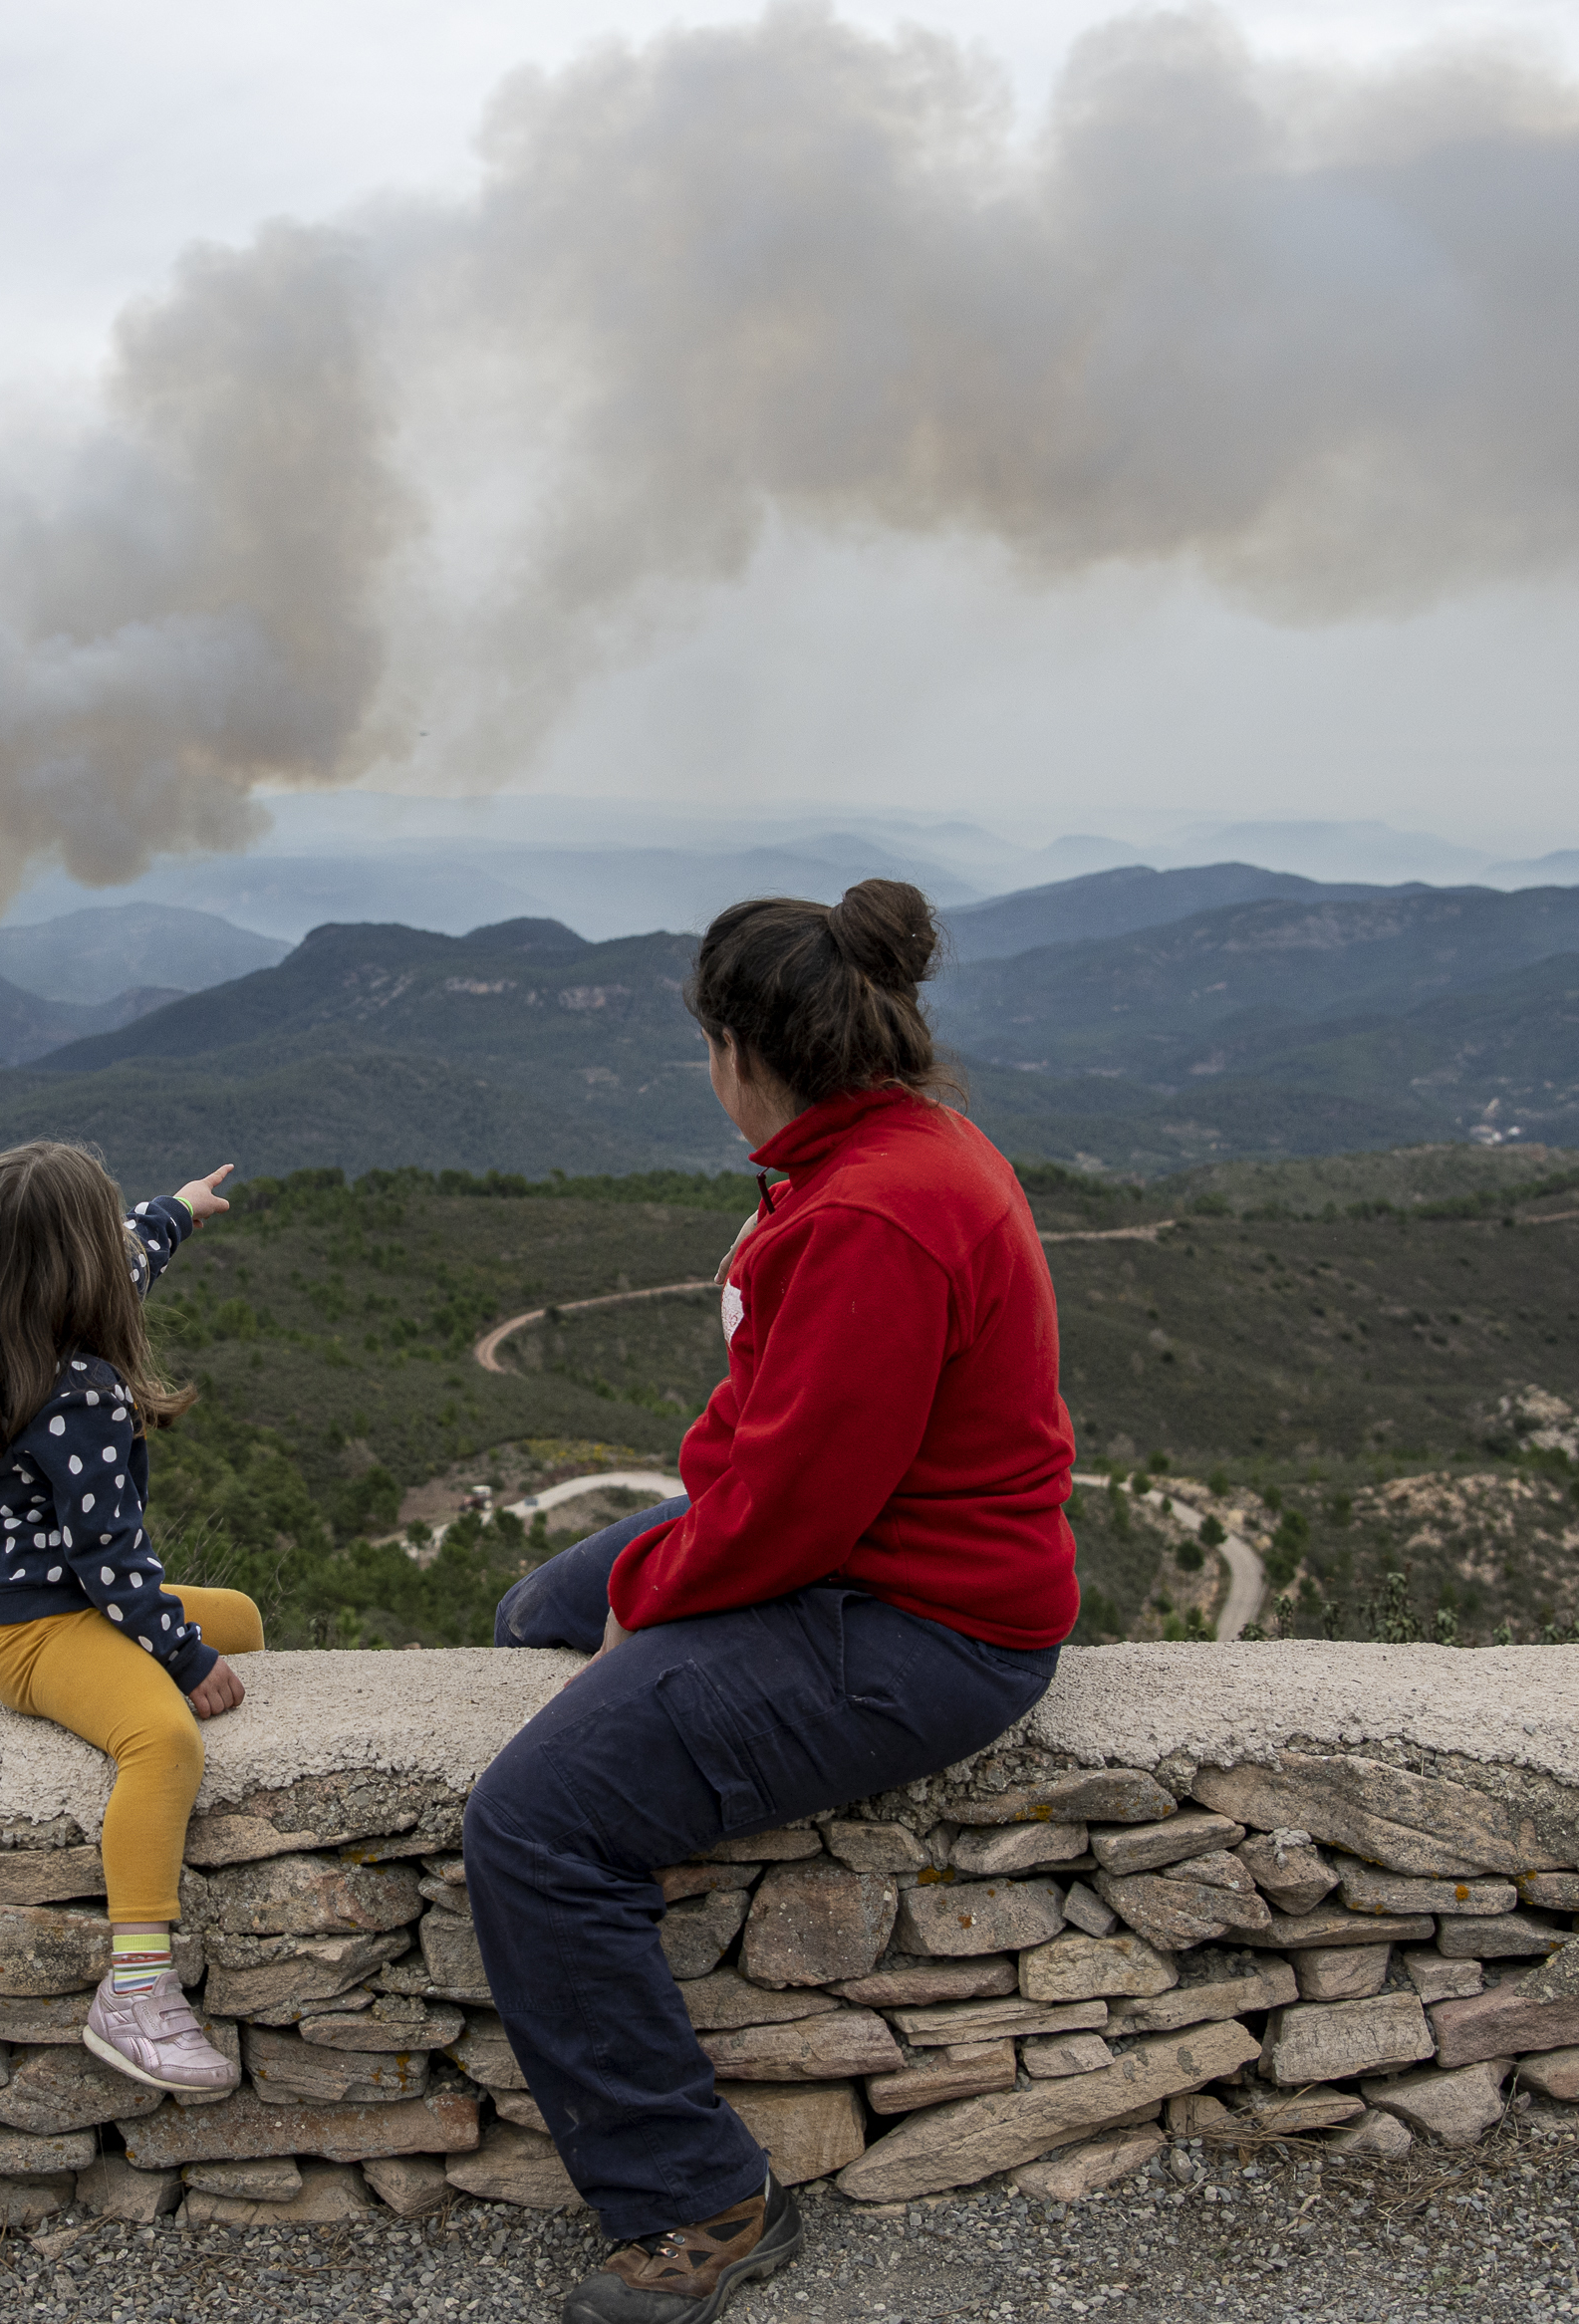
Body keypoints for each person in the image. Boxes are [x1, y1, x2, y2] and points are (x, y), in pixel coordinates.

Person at [468, 881, 1079, 2324]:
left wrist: (656, 1596)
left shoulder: (876, 1210)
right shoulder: (874, 1151)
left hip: (922, 1622)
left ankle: (701, 2197)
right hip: (861, 1551)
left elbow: (798, 1510)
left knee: (532, 1822)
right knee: (537, 1608)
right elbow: (774, 1437)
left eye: (708, 1044)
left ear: (743, 1050)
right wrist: (650, 1575)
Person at [0, 1140, 254, 2094]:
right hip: (41, 1633)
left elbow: (132, 1250)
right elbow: (111, 1562)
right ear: (79, 1272)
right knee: (165, 1740)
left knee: (243, 1617)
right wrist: (185, 1660)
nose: (123, 1252)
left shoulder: (8, 1333)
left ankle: (139, 1987)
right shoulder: (78, 1397)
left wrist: (179, 1208)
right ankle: (137, 1988)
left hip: (61, 1600)